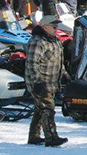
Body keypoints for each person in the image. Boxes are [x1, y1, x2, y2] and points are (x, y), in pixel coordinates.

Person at [25, 15, 68, 147]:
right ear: (45, 27)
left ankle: (34, 136)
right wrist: (37, 82)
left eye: (57, 27)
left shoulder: (55, 41)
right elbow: (32, 64)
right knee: (48, 109)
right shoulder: (37, 42)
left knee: (40, 109)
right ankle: (51, 137)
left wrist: (64, 74)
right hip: (40, 81)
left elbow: (59, 61)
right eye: (54, 27)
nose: (56, 29)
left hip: (51, 82)